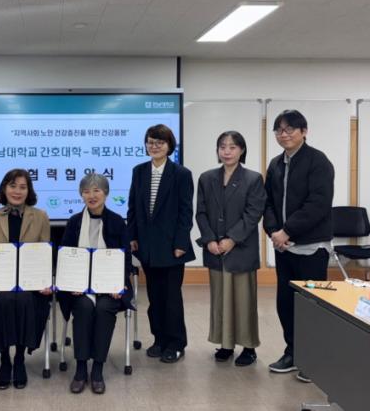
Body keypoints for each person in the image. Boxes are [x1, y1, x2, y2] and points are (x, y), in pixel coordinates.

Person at [264, 110, 334, 383]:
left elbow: (318, 204)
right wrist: (274, 231)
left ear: (304, 131)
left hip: (311, 247)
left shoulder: (318, 161)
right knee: (286, 303)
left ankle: (313, 359)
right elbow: (268, 202)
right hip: (284, 248)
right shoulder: (275, 164)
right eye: (279, 130)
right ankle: (293, 352)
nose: (284, 135)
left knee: (311, 306)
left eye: (290, 129)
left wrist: (287, 230)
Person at [0, 169, 51, 390]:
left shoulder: (40, 216)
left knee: (23, 300)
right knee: (5, 300)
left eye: (23, 187)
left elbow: (44, 255)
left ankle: (20, 359)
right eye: (13, 186)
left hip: (31, 285)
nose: (17, 191)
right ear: (4, 189)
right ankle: (5, 359)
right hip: (1, 283)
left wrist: (45, 282)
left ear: (29, 191)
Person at [58, 173, 133, 395]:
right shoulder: (74, 222)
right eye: (86, 191)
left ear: (106, 193)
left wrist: (119, 284)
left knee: (103, 308)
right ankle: (81, 368)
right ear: (81, 195)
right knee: (83, 307)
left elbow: (125, 258)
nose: (91, 195)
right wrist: (71, 283)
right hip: (78, 287)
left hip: (109, 286)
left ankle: (98, 368)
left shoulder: (117, 221)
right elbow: (65, 257)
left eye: (96, 190)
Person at [195, 131, 266, 367]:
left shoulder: (253, 179)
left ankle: (248, 347)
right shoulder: (207, 178)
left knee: (244, 301)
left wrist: (232, 239)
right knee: (220, 300)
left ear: (242, 150)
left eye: (232, 147)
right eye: (222, 147)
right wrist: (209, 240)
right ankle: (226, 344)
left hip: (241, 249)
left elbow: (253, 213)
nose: (227, 151)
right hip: (215, 249)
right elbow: (201, 212)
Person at [127, 124, 195, 363]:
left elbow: (186, 212)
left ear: (169, 146)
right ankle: (159, 339)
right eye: (150, 142)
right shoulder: (139, 171)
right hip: (147, 246)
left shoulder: (181, 174)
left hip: (172, 247)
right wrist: (132, 236)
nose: (154, 146)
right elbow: (133, 207)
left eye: (160, 142)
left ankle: (176, 343)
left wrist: (181, 243)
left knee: (171, 298)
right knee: (154, 297)